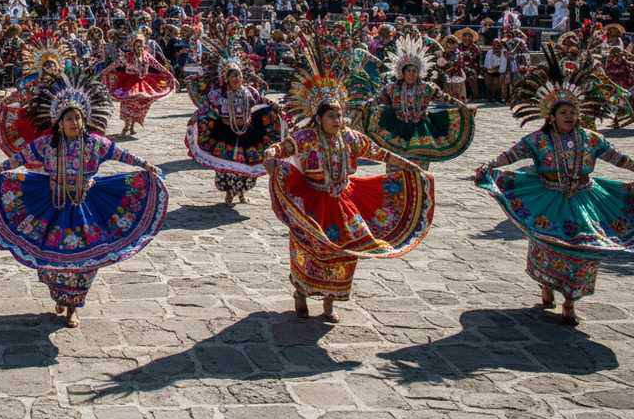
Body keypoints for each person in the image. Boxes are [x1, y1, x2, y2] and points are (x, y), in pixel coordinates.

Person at [0, 70, 168, 328]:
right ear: (59, 122)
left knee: (83, 261)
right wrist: (1, 169)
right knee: (49, 257)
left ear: (84, 120)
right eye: (69, 118)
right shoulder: (46, 143)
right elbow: (21, 157)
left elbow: (121, 154)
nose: (74, 123)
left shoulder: (95, 143)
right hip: (52, 203)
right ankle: (59, 296)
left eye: (78, 119)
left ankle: (73, 308)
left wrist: (145, 165)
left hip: (85, 206)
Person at [263, 43, 433, 322]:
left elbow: (380, 152)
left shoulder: (351, 138)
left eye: (340, 115)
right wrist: (270, 156)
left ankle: (330, 303)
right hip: (312, 201)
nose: (338, 120)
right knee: (310, 248)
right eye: (332, 116)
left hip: (343, 201)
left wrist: (409, 165)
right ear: (319, 118)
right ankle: (302, 292)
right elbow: (280, 149)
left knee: (345, 251)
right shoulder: (306, 139)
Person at [474, 47, 634, 325]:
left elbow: (616, 157)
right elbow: (512, 154)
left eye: (573, 112)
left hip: (585, 199)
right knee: (547, 243)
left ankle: (570, 302)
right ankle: (547, 286)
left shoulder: (591, 139)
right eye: (564, 112)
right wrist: (490, 165)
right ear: (552, 116)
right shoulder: (538, 140)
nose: (570, 116)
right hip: (548, 197)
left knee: (582, 247)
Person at [184, 44, 283, 206]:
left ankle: (242, 193)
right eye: (233, 76)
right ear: (226, 78)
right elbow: (206, 107)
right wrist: (195, 117)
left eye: (238, 75)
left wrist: (276, 107)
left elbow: (261, 101)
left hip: (248, 133)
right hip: (226, 133)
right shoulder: (218, 94)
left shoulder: (249, 92)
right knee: (230, 165)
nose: (237, 78)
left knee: (247, 164)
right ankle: (230, 194)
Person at [359, 35, 476, 167]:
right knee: (396, 164)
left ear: (419, 72)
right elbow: (378, 99)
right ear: (402, 72)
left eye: (414, 71)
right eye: (408, 70)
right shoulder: (392, 88)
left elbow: (446, 99)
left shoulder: (427, 88)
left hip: (421, 130)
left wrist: (463, 107)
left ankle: (419, 185)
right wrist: (365, 105)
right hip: (398, 128)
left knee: (419, 165)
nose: (411, 73)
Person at [0, 41, 69, 168]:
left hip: (59, 118)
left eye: (53, 65)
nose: (50, 67)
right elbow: (23, 95)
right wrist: (9, 100)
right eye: (47, 65)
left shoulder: (63, 80)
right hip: (39, 119)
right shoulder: (35, 83)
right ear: (42, 68)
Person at [100, 33, 175, 136]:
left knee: (140, 104)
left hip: (143, 84)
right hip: (129, 83)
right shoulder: (127, 56)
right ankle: (126, 125)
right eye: (137, 45)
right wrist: (104, 72)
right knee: (127, 103)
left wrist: (169, 74)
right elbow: (115, 64)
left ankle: (132, 126)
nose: (139, 47)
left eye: (141, 45)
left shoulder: (147, 56)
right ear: (133, 46)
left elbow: (158, 66)